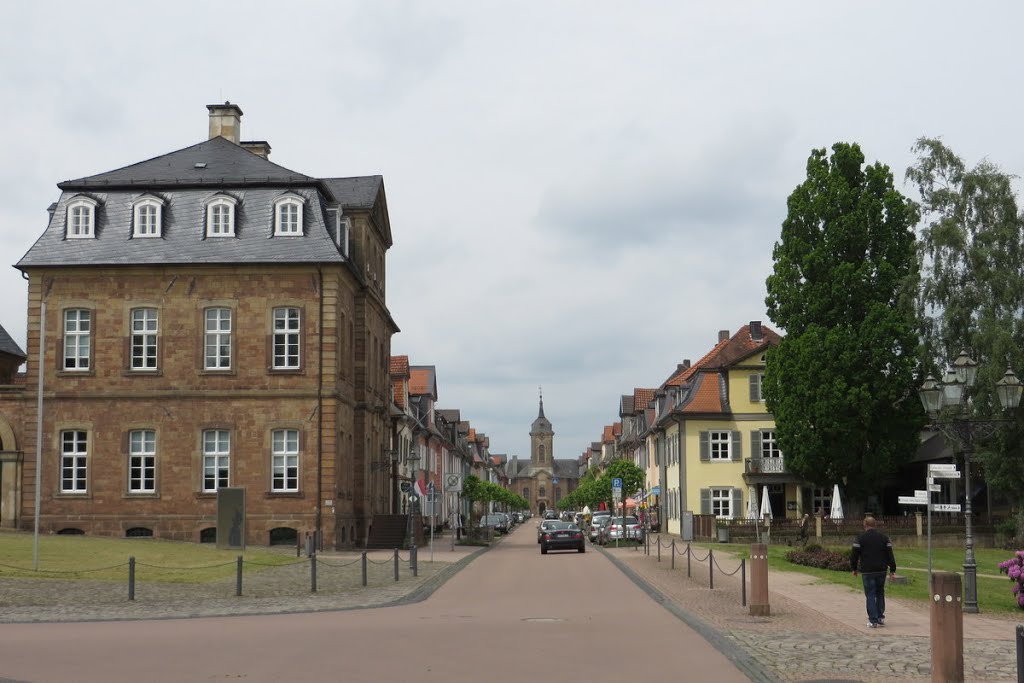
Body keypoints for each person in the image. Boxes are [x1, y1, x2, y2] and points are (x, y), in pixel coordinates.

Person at [850, 516, 896, 628]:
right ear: (875, 525)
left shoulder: (860, 538)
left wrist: (854, 568)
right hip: (881, 569)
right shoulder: (884, 538)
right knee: (880, 592)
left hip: (867, 570)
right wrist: (892, 569)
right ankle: (880, 617)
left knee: (870, 594)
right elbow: (889, 554)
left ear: (864, 525)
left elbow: (854, 555)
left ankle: (873, 620)